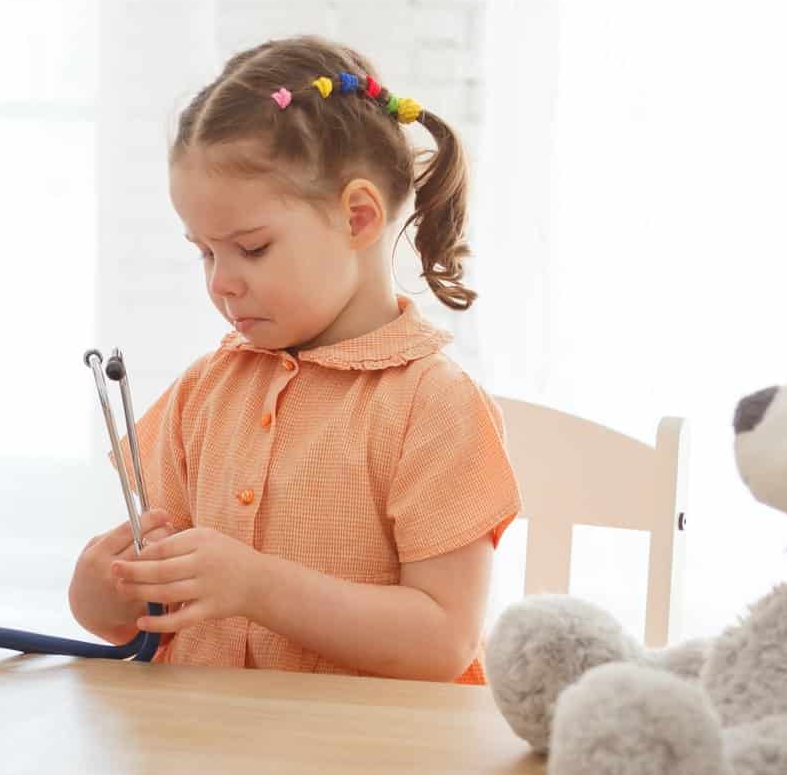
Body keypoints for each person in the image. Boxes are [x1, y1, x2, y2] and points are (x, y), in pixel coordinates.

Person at [67, 36, 518, 681]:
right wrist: (103, 594)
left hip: (362, 771)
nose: (221, 281)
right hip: (208, 760)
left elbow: (443, 642)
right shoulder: (206, 391)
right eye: (206, 252)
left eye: (251, 249)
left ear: (358, 218)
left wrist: (259, 588)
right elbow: (147, 608)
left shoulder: (432, 403)